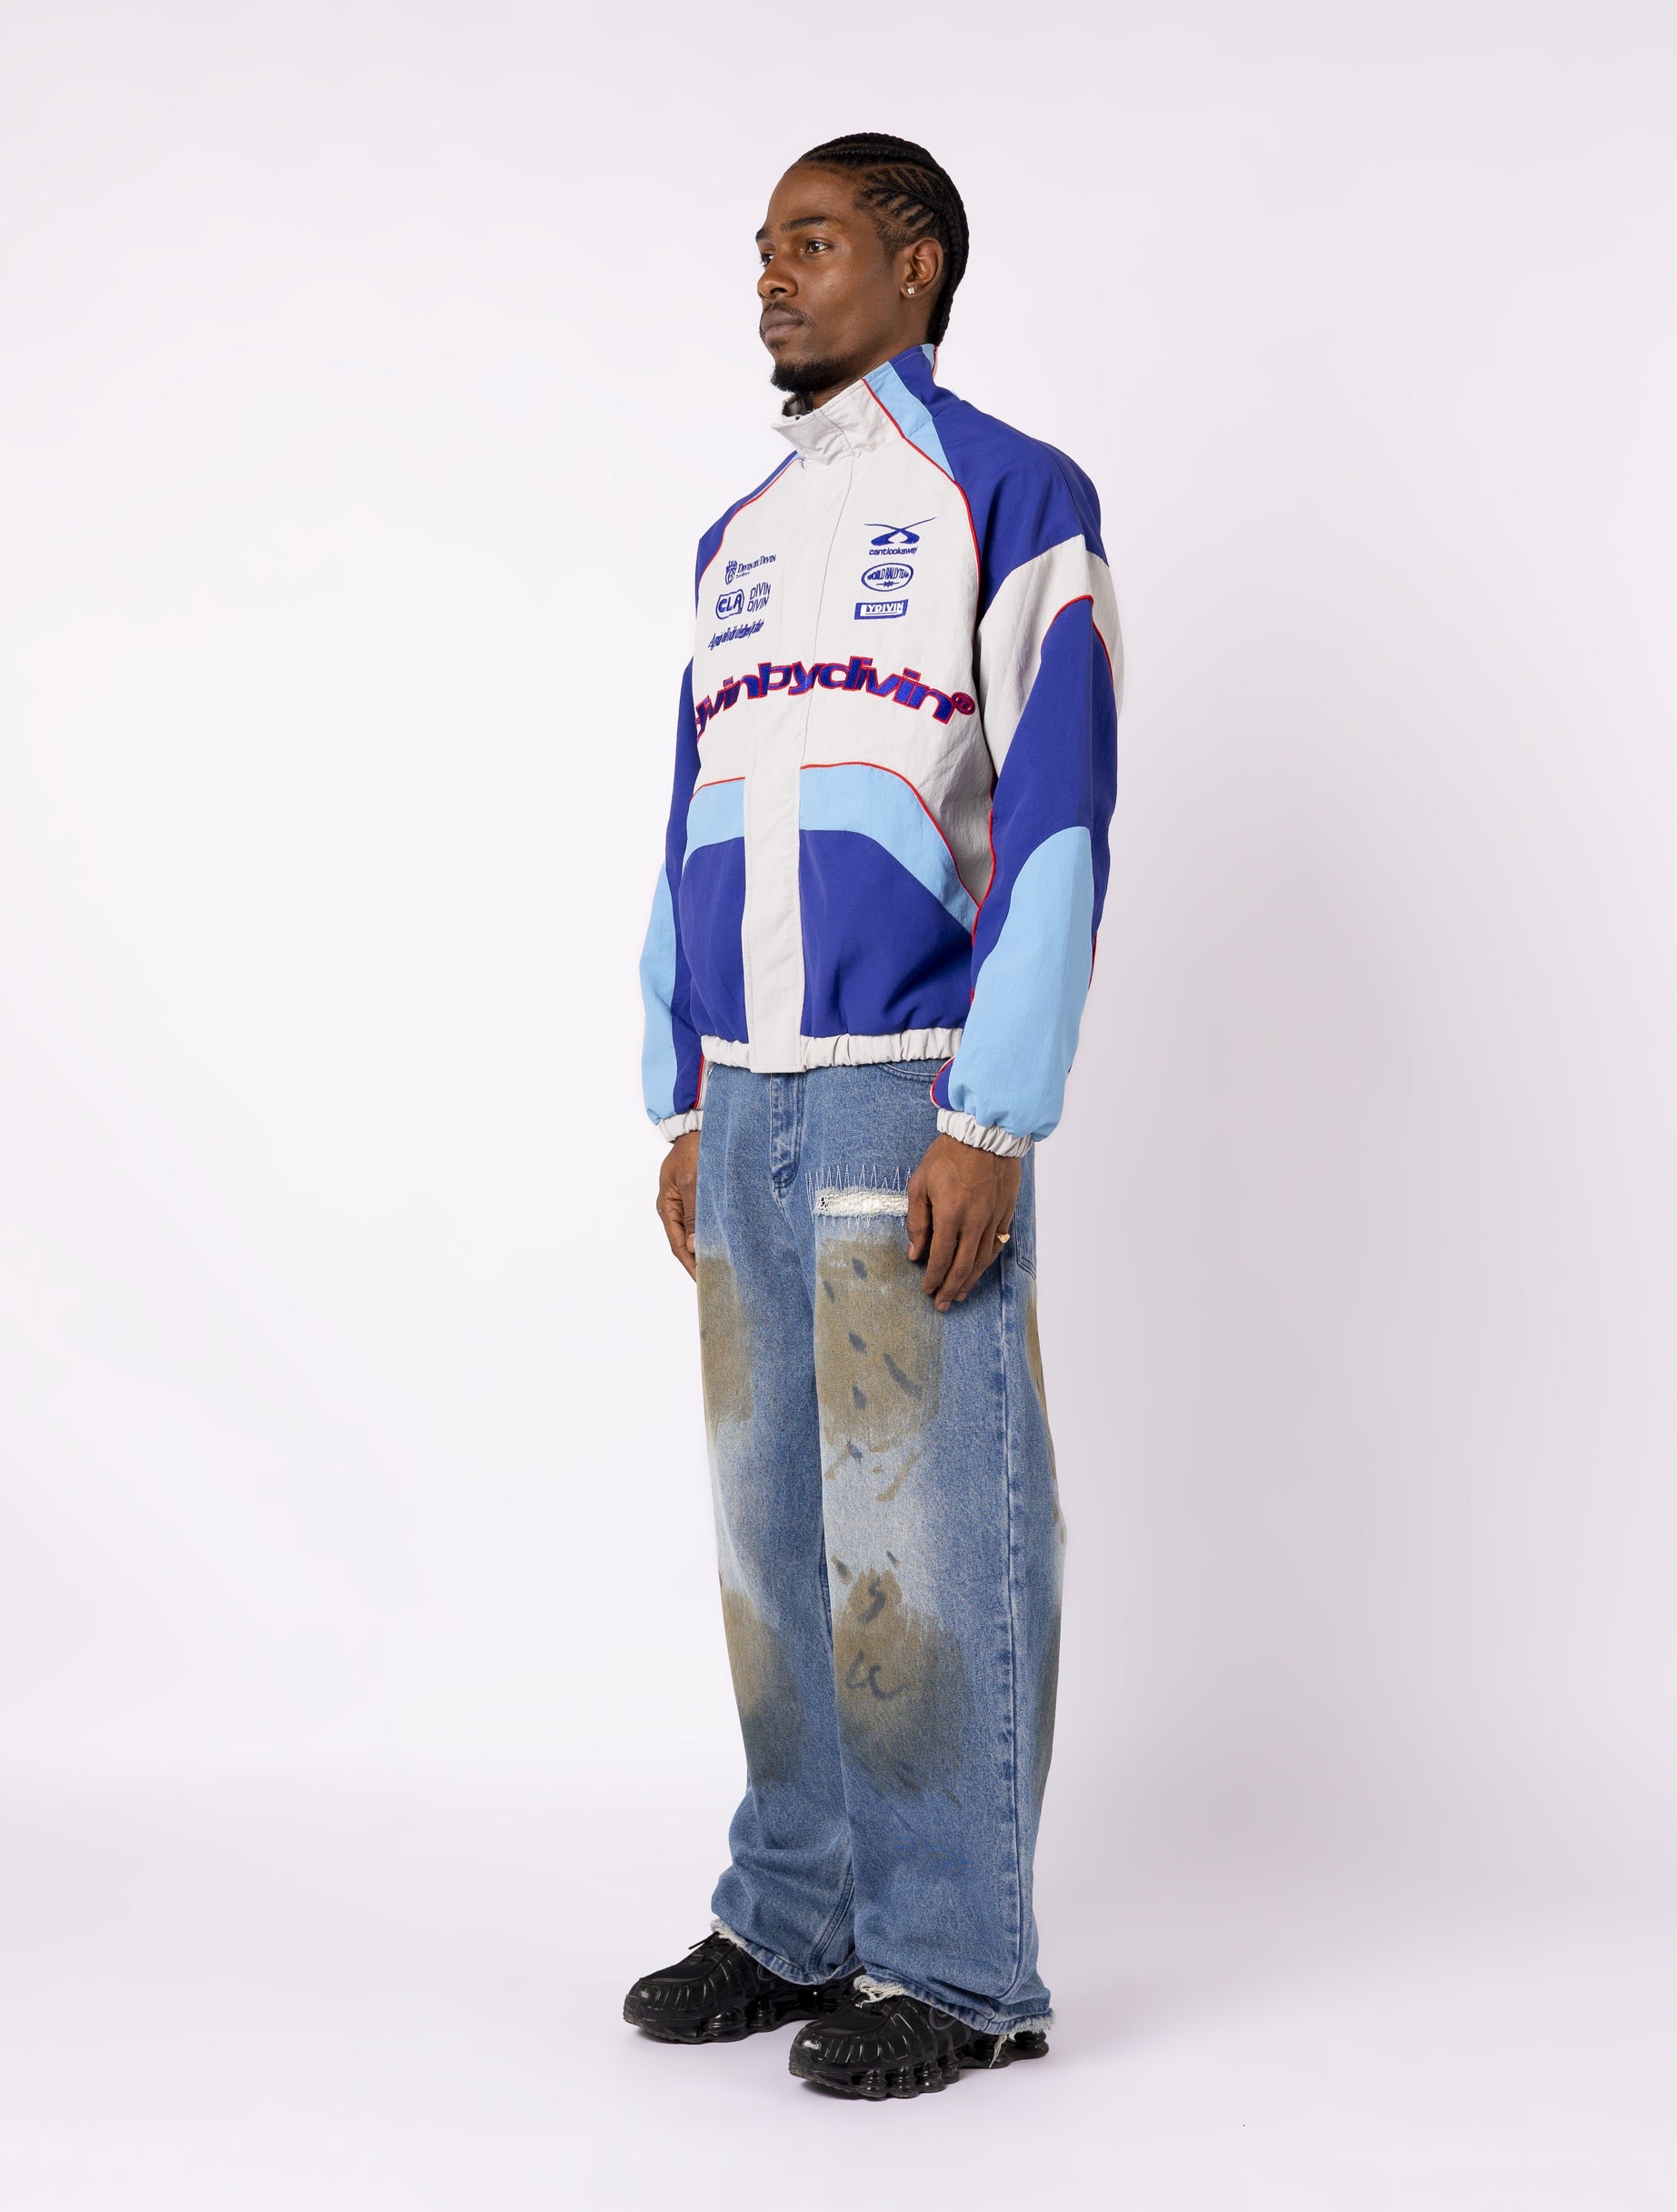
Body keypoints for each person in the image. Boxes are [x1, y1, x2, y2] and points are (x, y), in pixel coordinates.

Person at [627, 132, 1122, 2102]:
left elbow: (1061, 805)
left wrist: (989, 1116)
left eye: (813, 241)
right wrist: (681, 1085)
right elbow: (684, 810)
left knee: (921, 1531)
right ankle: (794, 1912)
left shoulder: (1011, 491)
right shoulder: (736, 537)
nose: (773, 275)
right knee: (773, 1535)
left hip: (906, 1088)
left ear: (914, 265)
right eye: (763, 247)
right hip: (745, 1094)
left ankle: (956, 1963)